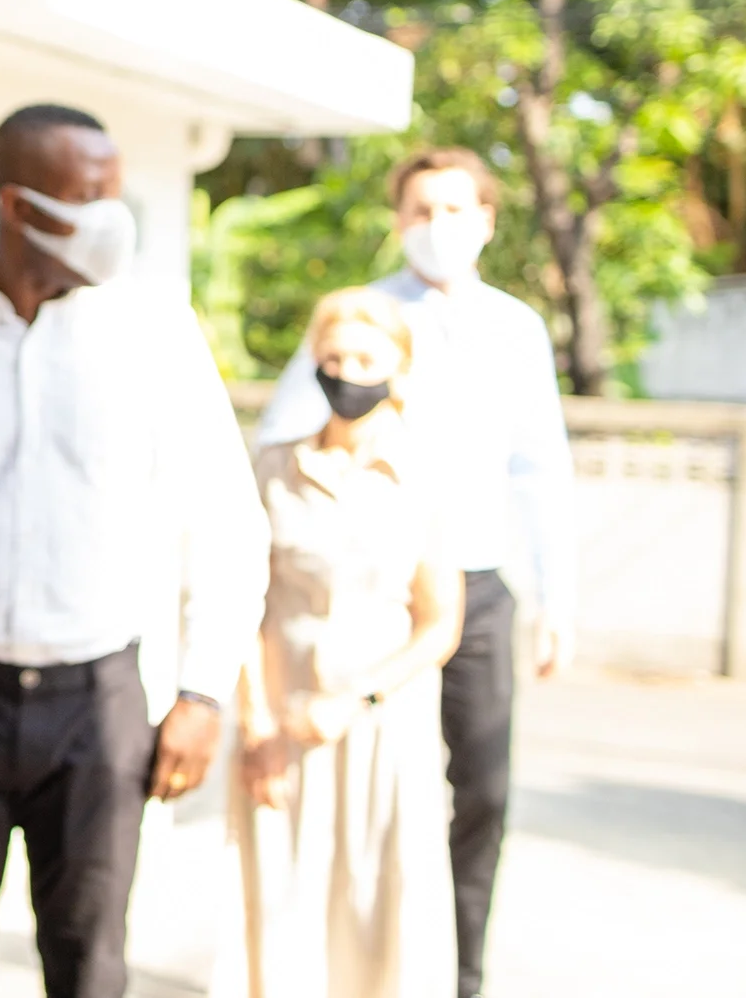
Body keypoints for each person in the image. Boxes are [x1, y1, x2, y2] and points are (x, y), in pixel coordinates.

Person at [0, 103, 271, 998]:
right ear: (16, 204)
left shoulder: (155, 332)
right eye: (88, 195)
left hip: (99, 702)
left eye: (114, 192)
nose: (111, 217)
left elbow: (229, 519)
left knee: (89, 965)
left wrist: (202, 693)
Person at [254, 149, 575, 998]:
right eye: (422, 211)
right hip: (372, 598)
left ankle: (455, 972)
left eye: (456, 210)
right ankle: (339, 968)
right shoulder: (361, 322)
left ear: (487, 220)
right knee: (357, 794)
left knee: (484, 790)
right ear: (399, 223)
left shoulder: (515, 328)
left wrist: (557, 597)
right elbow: (285, 434)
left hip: (474, 587)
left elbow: (539, 464)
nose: (439, 227)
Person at [224, 288, 464, 998]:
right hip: (285, 727)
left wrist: (355, 699)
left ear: (400, 367)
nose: (348, 373)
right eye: (333, 358)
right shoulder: (273, 469)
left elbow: (438, 624)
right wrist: (256, 721)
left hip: (382, 726)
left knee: (377, 908)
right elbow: (245, 604)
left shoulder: (426, 475)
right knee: (280, 903)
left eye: (365, 358)